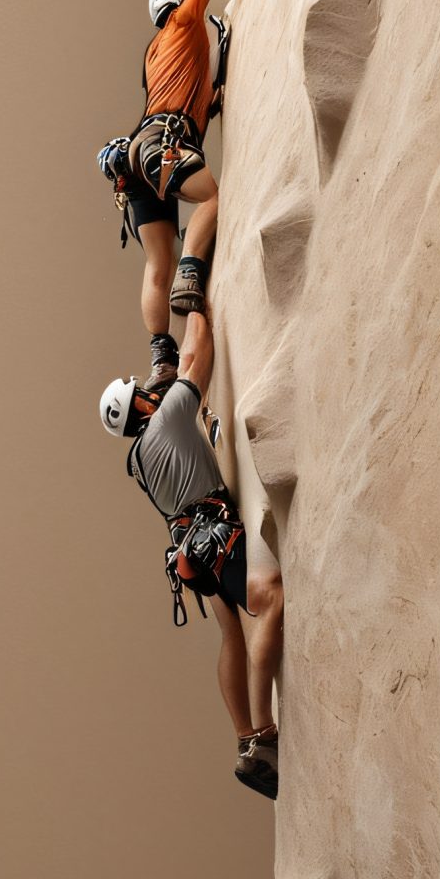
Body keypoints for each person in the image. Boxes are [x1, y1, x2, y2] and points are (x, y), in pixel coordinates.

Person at [99, 308, 282, 799]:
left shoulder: (139, 461)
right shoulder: (166, 419)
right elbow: (198, 353)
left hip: (193, 552)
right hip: (214, 535)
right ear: (138, 407)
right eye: (142, 391)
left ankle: (243, 734)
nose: (149, 389)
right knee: (270, 599)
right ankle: (264, 736)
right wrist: (195, 297)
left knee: (231, 636)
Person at [98, 0, 249, 389]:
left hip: (139, 152)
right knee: (210, 198)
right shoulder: (184, 22)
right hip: (163, 139)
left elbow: (191, 95)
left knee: (153, 264)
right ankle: (192, 274)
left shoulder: (157, 55)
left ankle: (161, 358)